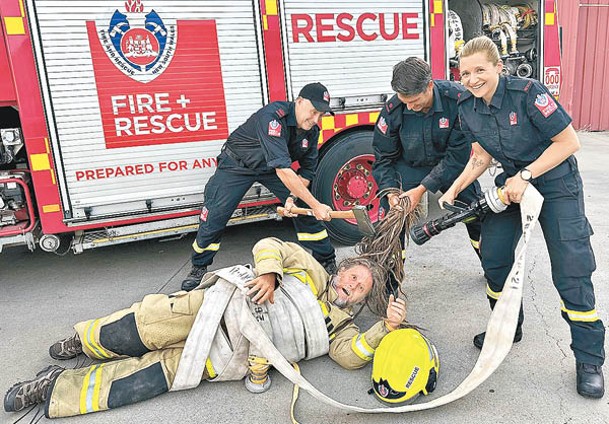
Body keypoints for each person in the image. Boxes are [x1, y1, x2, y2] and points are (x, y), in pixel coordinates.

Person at [4, 237, 407, 418]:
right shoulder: (311, 269)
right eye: (353, 276)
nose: (351, 286)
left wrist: (384, 329)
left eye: (360, 289)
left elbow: (350, 358)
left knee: (138, 382)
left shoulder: (341, 330)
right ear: (343, 269)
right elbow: (271, 246)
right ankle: (85, 341)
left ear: (359, 302)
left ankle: (51, 389)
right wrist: (268, 273)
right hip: (210, 308)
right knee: (137, 328)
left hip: (224, 358)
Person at [439, 36, 605, 398]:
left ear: (499, 67)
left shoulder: (528, 92)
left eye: (480, 70)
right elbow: (480, 156)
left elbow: (569, 142)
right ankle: (506, 325)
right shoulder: (466, 105)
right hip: (511, 185)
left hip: (556, 183)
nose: (471, 79)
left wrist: (527, 175)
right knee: (494, 257)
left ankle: (589, 358)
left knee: (571, 271)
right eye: (465, 72)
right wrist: (455, 187)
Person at [181, 83, 338, 291]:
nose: (316, 119)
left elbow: (307, 171)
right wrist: (317, 204)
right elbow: (283, 169)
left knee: (306, 209)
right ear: (299, 102)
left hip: (270, 168)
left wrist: (292, 198)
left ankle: (326, 260)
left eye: (321, 114)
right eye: (313, 112)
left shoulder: (311, 131)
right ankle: (199, 267)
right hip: (237, 164)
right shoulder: (273, 117)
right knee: (215, 214)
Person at [372, 57, 482, 291]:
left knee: (476, 212)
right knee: (391, 220)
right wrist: (392, 193)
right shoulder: (394, 109)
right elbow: (383, 159)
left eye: (414, 101)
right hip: (409, 165)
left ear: (429, 86)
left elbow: (457, 157)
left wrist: (421, 190)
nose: (409, 107)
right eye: (405, 101)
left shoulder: (457, 100)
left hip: (450, 165)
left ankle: (492, 266)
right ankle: (391, 287)